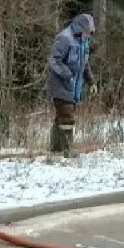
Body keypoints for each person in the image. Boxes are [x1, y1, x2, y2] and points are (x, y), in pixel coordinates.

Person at [47, 13, 97, 154]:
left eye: (90, 32)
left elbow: (85, 65)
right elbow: (54, 60)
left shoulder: (84, 42)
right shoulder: (65, 38)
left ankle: (56, 149)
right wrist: (67, 74)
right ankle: (67, 150)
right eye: (87, 32)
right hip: (60, 86)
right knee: (67, 118)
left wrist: (91, 81)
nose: (88, 35)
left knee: (61, 118)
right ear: (80, 28)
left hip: (74, 88)